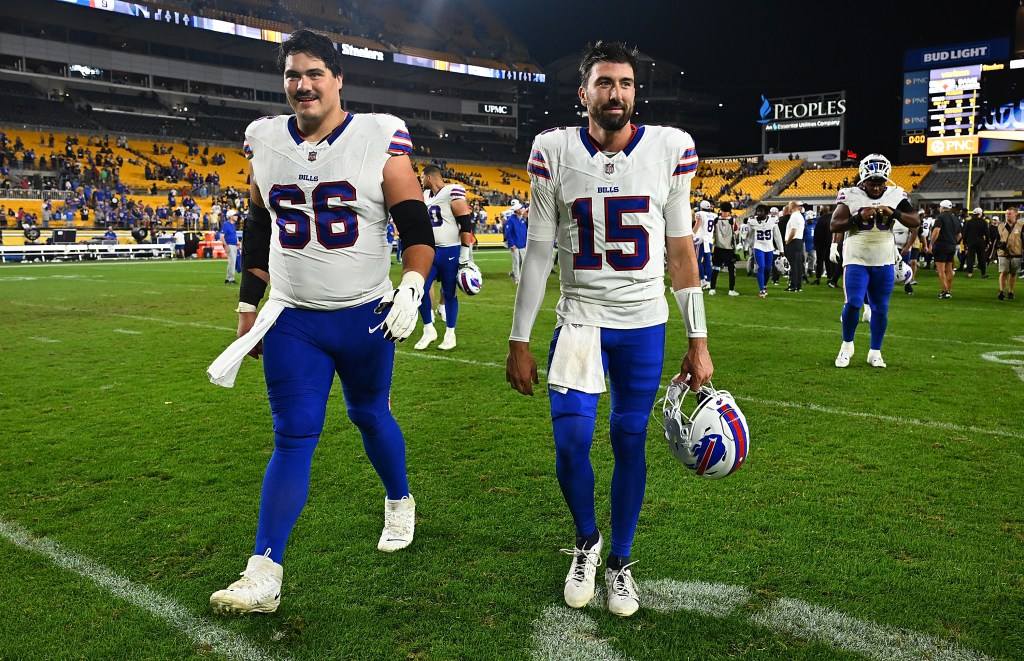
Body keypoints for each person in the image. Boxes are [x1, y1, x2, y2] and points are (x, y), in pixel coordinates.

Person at [207, 29, 435, 616]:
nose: (302, 85)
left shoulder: (378, 136)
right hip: (293, 320)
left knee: (368, 413)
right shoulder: (263, 139)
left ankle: (398, 498)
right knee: (293, 435)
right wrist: (246, 308)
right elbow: (259, 228)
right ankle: (264, 570)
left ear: (338, 79)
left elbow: (415, 228)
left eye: (313, 74)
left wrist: (412, 285)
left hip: (364, 315)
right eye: (291, 75)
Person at [506, 41, 713, 618]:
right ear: (584, 93)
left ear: (634, 91)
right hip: (578, 321)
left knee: (628, 440)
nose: (615, 93)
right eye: (604, 83)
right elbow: (541, 250)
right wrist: (517, 339)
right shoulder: (553, 150)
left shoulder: (670, 149)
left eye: (624, 83)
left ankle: (620, 560)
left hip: (643, 322)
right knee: (570, 446)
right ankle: (586, 540)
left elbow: (680, 251)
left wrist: (697, 340)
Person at [829, 154, 919, 368]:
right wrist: (857, 218)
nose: (877, 188)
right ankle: (846, 345)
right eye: (872, 183)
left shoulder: (896, 194)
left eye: (880, 183)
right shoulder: (850, 195)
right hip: (856, 257)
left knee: (880, 308)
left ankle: (875, 352)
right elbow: (834, 224)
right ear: (863, 180)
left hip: (884, 258)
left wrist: (894, 212)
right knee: (853, 303)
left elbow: (915, 220)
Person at [413, 164, 475, 351]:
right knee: (421, 289)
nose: (421, 180)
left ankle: (450, 334)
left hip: (450, 251)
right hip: (430, 251)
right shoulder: (424, 196)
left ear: (430, 177)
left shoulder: (452, 191)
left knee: (449, 293)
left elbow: (465, 223)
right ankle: (428, 329)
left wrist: (464, 255)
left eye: (423, 177)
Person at [747, 204, 782, 298]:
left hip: (770, 247)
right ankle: (761, 289)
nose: (759, 213)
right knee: (761, 267)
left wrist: (781, 249)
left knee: (768, 268)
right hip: (758, 246)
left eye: (761, 211)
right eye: (758, 211)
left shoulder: (772, 220)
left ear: (766, 213)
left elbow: (777, 236)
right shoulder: (752, 221)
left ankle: (764, 285)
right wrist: (746, 246)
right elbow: (749, 235)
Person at [928, 200, 961, 299]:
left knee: (941, 270)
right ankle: (948, 289)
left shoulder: (940, 217)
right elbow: (959, 235)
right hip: (952, 245)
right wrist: (953, 242)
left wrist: (931, 244)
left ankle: (946, 291)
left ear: (941, 207)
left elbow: (936, 231)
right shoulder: (955, 218)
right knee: (949, 269)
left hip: (941, 245)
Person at [708, 201, 740, 296]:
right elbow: (735, 231)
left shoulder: (716, 220)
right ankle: (731, 290)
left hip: (718, 247)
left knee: (716, 268)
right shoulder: (732, 221)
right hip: (728, 249)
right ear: (730, 210)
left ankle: (712, 288)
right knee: (731, 270)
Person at [996, 206, 1023, 301]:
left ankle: (1011, 291)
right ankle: (1002, 291)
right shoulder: (1001, 226)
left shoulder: (1021, 225)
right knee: (1003, 272)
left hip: (1016, 252)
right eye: (1006, 213)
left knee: (1013, 273)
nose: (1007, 215)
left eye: (1010, 213)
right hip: (1003, 253)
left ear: (1016, 214)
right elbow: (997, 239)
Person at [783, 200, 806, 291]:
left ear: (792, 206)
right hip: (799, 241)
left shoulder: (794, 217)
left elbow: (793, 230)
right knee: (798, 264)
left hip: (793, 242)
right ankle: (798, 285)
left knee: (793, 265)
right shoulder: (800, 216)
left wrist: (788, 241)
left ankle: (793, 285)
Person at [693, 199, 715, 288]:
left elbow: (698, 224)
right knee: (708, 262)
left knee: (697, 260)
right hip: (709, 240)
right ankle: (709, 282)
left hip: (700, 240)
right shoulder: (714, 215)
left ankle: (702, 280)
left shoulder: (700, 214)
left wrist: (692, 234)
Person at [962, 207, 989, 279]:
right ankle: (983, 273)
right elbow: (987, 234)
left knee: (970, 258)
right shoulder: (984, 222)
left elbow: (965, 234)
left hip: (971, 242)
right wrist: (987, 243)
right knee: (981, 258)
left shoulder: (969, 222)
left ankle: (970, 273)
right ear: (980, 214)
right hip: (980, 242)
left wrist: (964, 243)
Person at [505, 199, 527, 284]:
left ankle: (518, 276)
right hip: (515, 245)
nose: (523, 209)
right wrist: (512, 244)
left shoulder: (522, 219)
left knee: (523, 262)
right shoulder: (511, 220)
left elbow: (525, 231)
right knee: (516, 262)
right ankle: (517, 279)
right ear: (517, 210)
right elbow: (508, 232)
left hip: (522, 244)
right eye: (521, 208)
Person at [221, 209, 239, 284]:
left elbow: (234, 235)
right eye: (235, 215)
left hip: (233, 245)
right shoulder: (226, 224)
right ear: (230, 217)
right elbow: (222, 236)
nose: (236, 217)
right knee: (232, 262)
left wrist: (237, 242)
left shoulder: (232, 225)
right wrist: (226, 245)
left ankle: (228, 278)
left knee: (231, 262)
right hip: (230, 245)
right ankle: (231, 279)